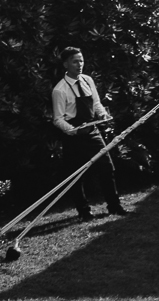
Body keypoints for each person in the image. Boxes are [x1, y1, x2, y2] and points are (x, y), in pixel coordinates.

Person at [50, 47, 126, 221]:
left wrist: (103, 115)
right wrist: (74, 131)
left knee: (107, 167)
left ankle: (114, 207)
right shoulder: (60, 90)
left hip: (93, 131)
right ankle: (84, 212)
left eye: (81, 60)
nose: (80, 64)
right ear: (66, 64)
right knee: (76, 175)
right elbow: (57, 119)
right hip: (74, 136)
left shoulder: (87, 80)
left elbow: (96, 103)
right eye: (75, 61)